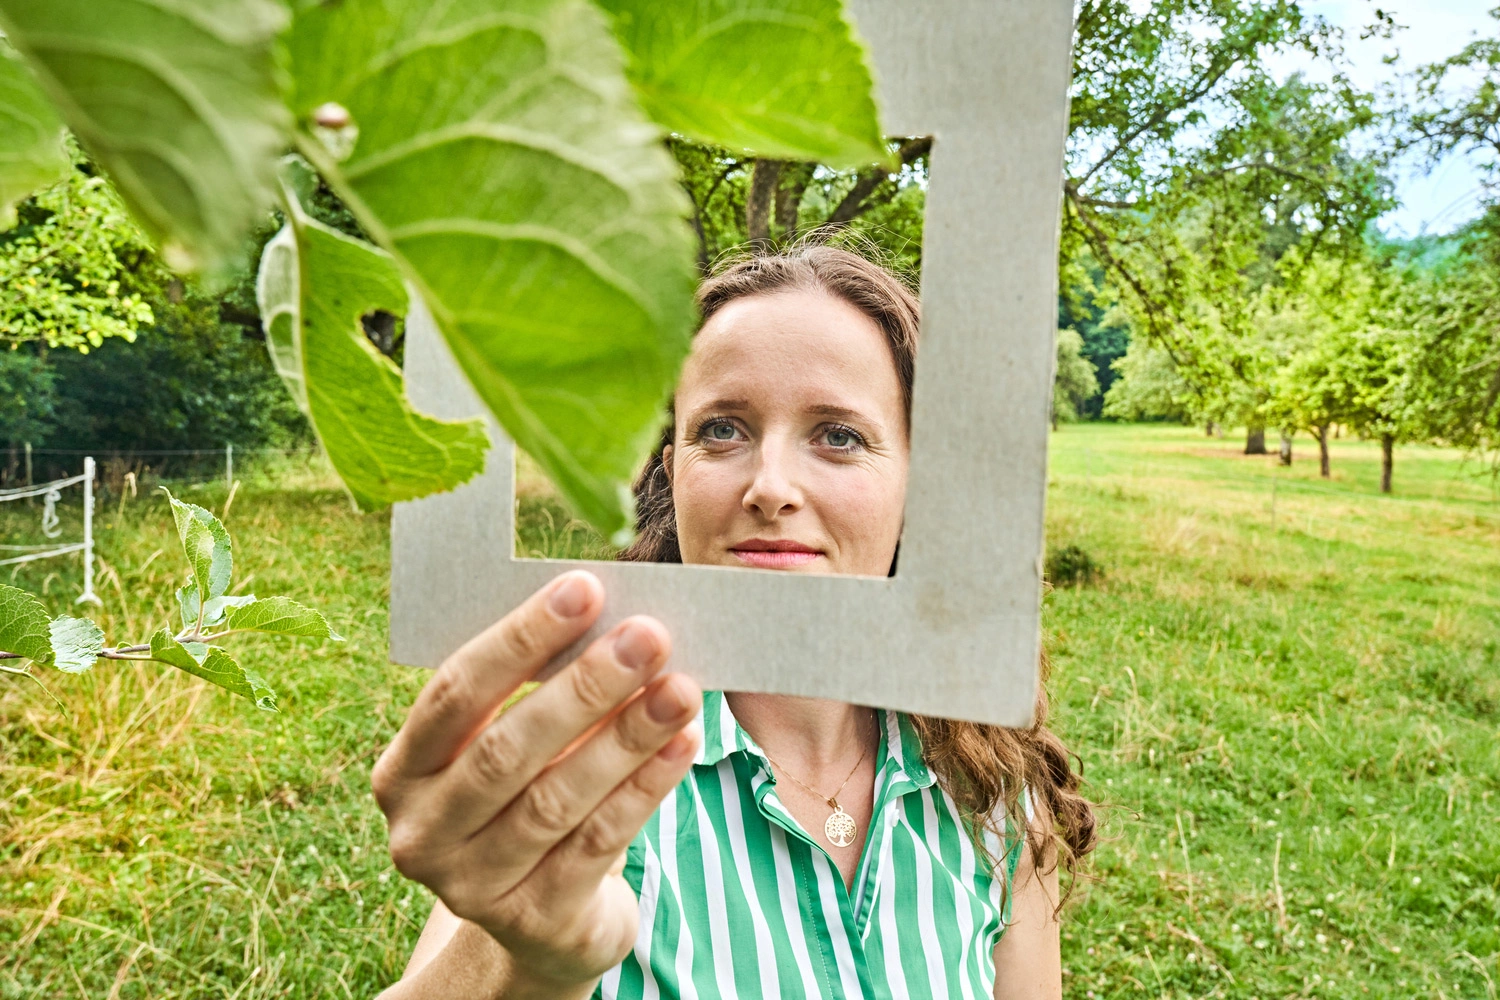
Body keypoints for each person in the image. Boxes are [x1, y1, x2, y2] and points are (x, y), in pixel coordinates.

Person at [374, 245, 1096, 999]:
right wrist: (527, 961)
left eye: (838, 435)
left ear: (923, 482)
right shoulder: (588, 772)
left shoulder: (996, 790)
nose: (771, 487)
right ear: (671, 469)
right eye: (722, 430)